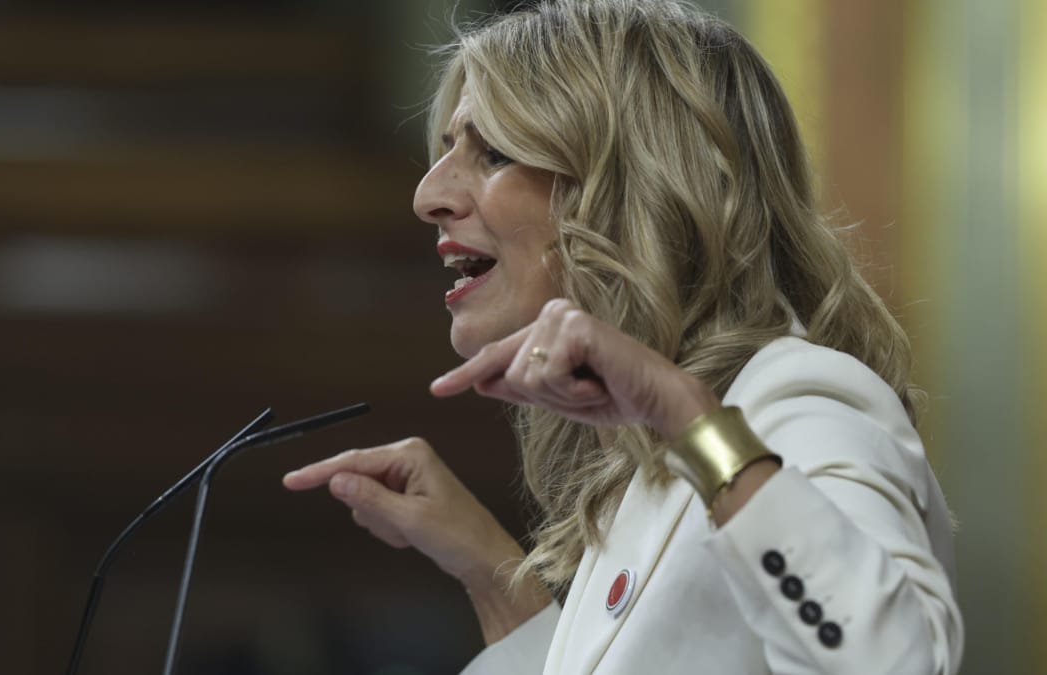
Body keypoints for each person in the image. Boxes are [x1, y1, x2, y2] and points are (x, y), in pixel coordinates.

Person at [284, 0, 964, 672]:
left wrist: (687, 417)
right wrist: (489, 571)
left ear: (630, 186)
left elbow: (894, 661)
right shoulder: (644, 464)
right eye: (447, 151)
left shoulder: (791, 399)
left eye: (492, 152)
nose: (428, 194)